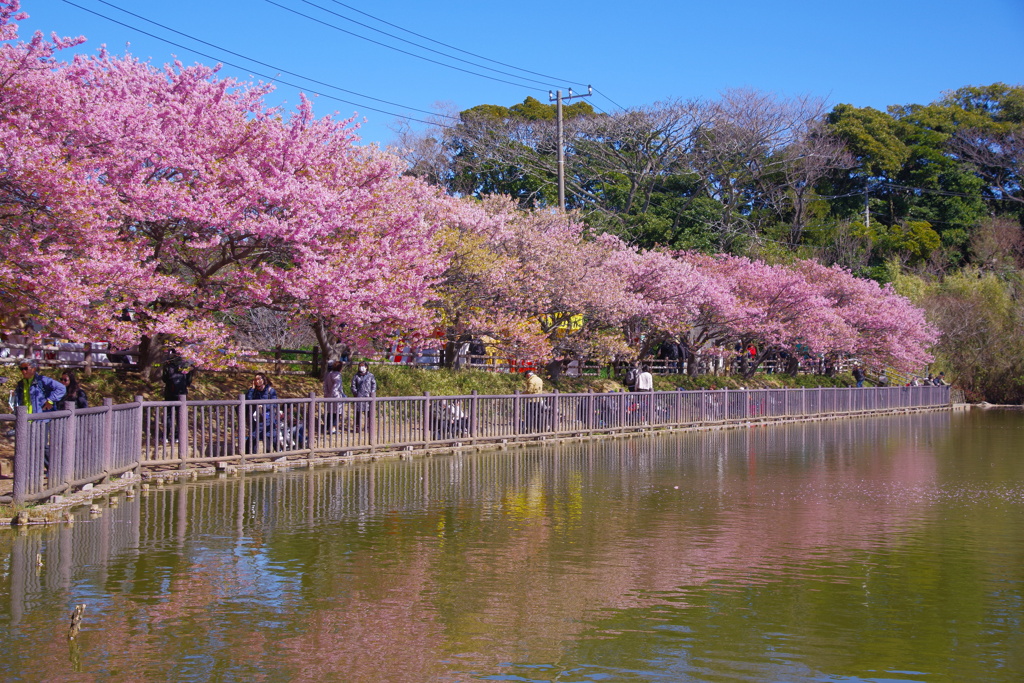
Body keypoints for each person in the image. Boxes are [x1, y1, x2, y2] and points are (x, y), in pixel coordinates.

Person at [245, 373, 279, 453]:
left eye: (259, 379)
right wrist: (252, 389)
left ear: (264, 380)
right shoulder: (254, 391)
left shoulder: (270, 390)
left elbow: (274, 403)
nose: (257, 381)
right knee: (253, 436)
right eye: (256, 379)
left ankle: (279, 452)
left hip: (268, 417)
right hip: (257, 418)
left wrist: (264, 406)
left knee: (272, 435)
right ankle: (249, 455)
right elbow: (248, 400)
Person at [350, 362, 377, 433]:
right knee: (358, 413)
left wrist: (372, 393)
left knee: (368, 413)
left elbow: (373, 385)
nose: (361, 367)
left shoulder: (370, 375)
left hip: (368, 397)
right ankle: (357, 428)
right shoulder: (356, 376)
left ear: (366, 367)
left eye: (363, 366)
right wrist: (356, 393)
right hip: (359, 397)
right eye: (360, 366)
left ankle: (368, 427)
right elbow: (353, 386)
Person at [322, 360, 346, 433]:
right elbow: (336, 386)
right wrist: (338, 394)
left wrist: (326, 394)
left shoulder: (329, 374)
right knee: (337, 413)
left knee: (330, 412)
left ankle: (328, 427)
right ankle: (333, 428)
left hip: (329, 396)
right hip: (336, 396)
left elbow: (325, 385)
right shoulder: (337, 375)